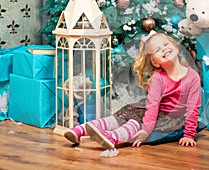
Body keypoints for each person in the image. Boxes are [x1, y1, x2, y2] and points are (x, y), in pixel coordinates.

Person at [64, 30, 201, 149]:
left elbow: (192, 108)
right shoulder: (158, 77)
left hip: (171, 116)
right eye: (157, 50)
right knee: (121, 116)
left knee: (135, 122)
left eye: (166, 45)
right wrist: (147, 129)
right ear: (155, 62)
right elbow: (152, 106)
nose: (164, 49)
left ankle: (112, 137)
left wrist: (189, 135)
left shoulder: (192, 77)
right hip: (152, 109)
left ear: (176, 47)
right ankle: (79, 130)